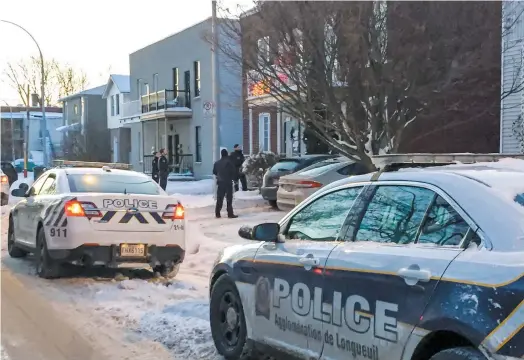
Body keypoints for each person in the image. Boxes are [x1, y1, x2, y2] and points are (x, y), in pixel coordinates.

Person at [213, 148, 238, 219]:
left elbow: (214, 172)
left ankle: (217, 213)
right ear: (226, 154)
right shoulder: (229, 162)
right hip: (228, 182)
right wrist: (233, 178)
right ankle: (230, 213)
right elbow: (233, 171)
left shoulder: (217, 163)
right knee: (229, 199)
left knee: (219, 198)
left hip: (220, 182)